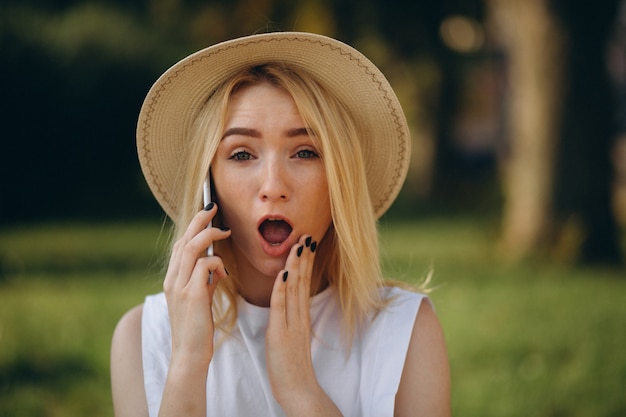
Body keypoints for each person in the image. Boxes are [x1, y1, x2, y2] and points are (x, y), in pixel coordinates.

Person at [111, 32, 450, 417]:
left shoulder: (405, 331)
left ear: (341, 178)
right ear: (209, 185)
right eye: (241, 154)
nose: (273, 187)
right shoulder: (141, 337)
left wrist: (301, 391)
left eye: (305, 152)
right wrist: (187, 364)